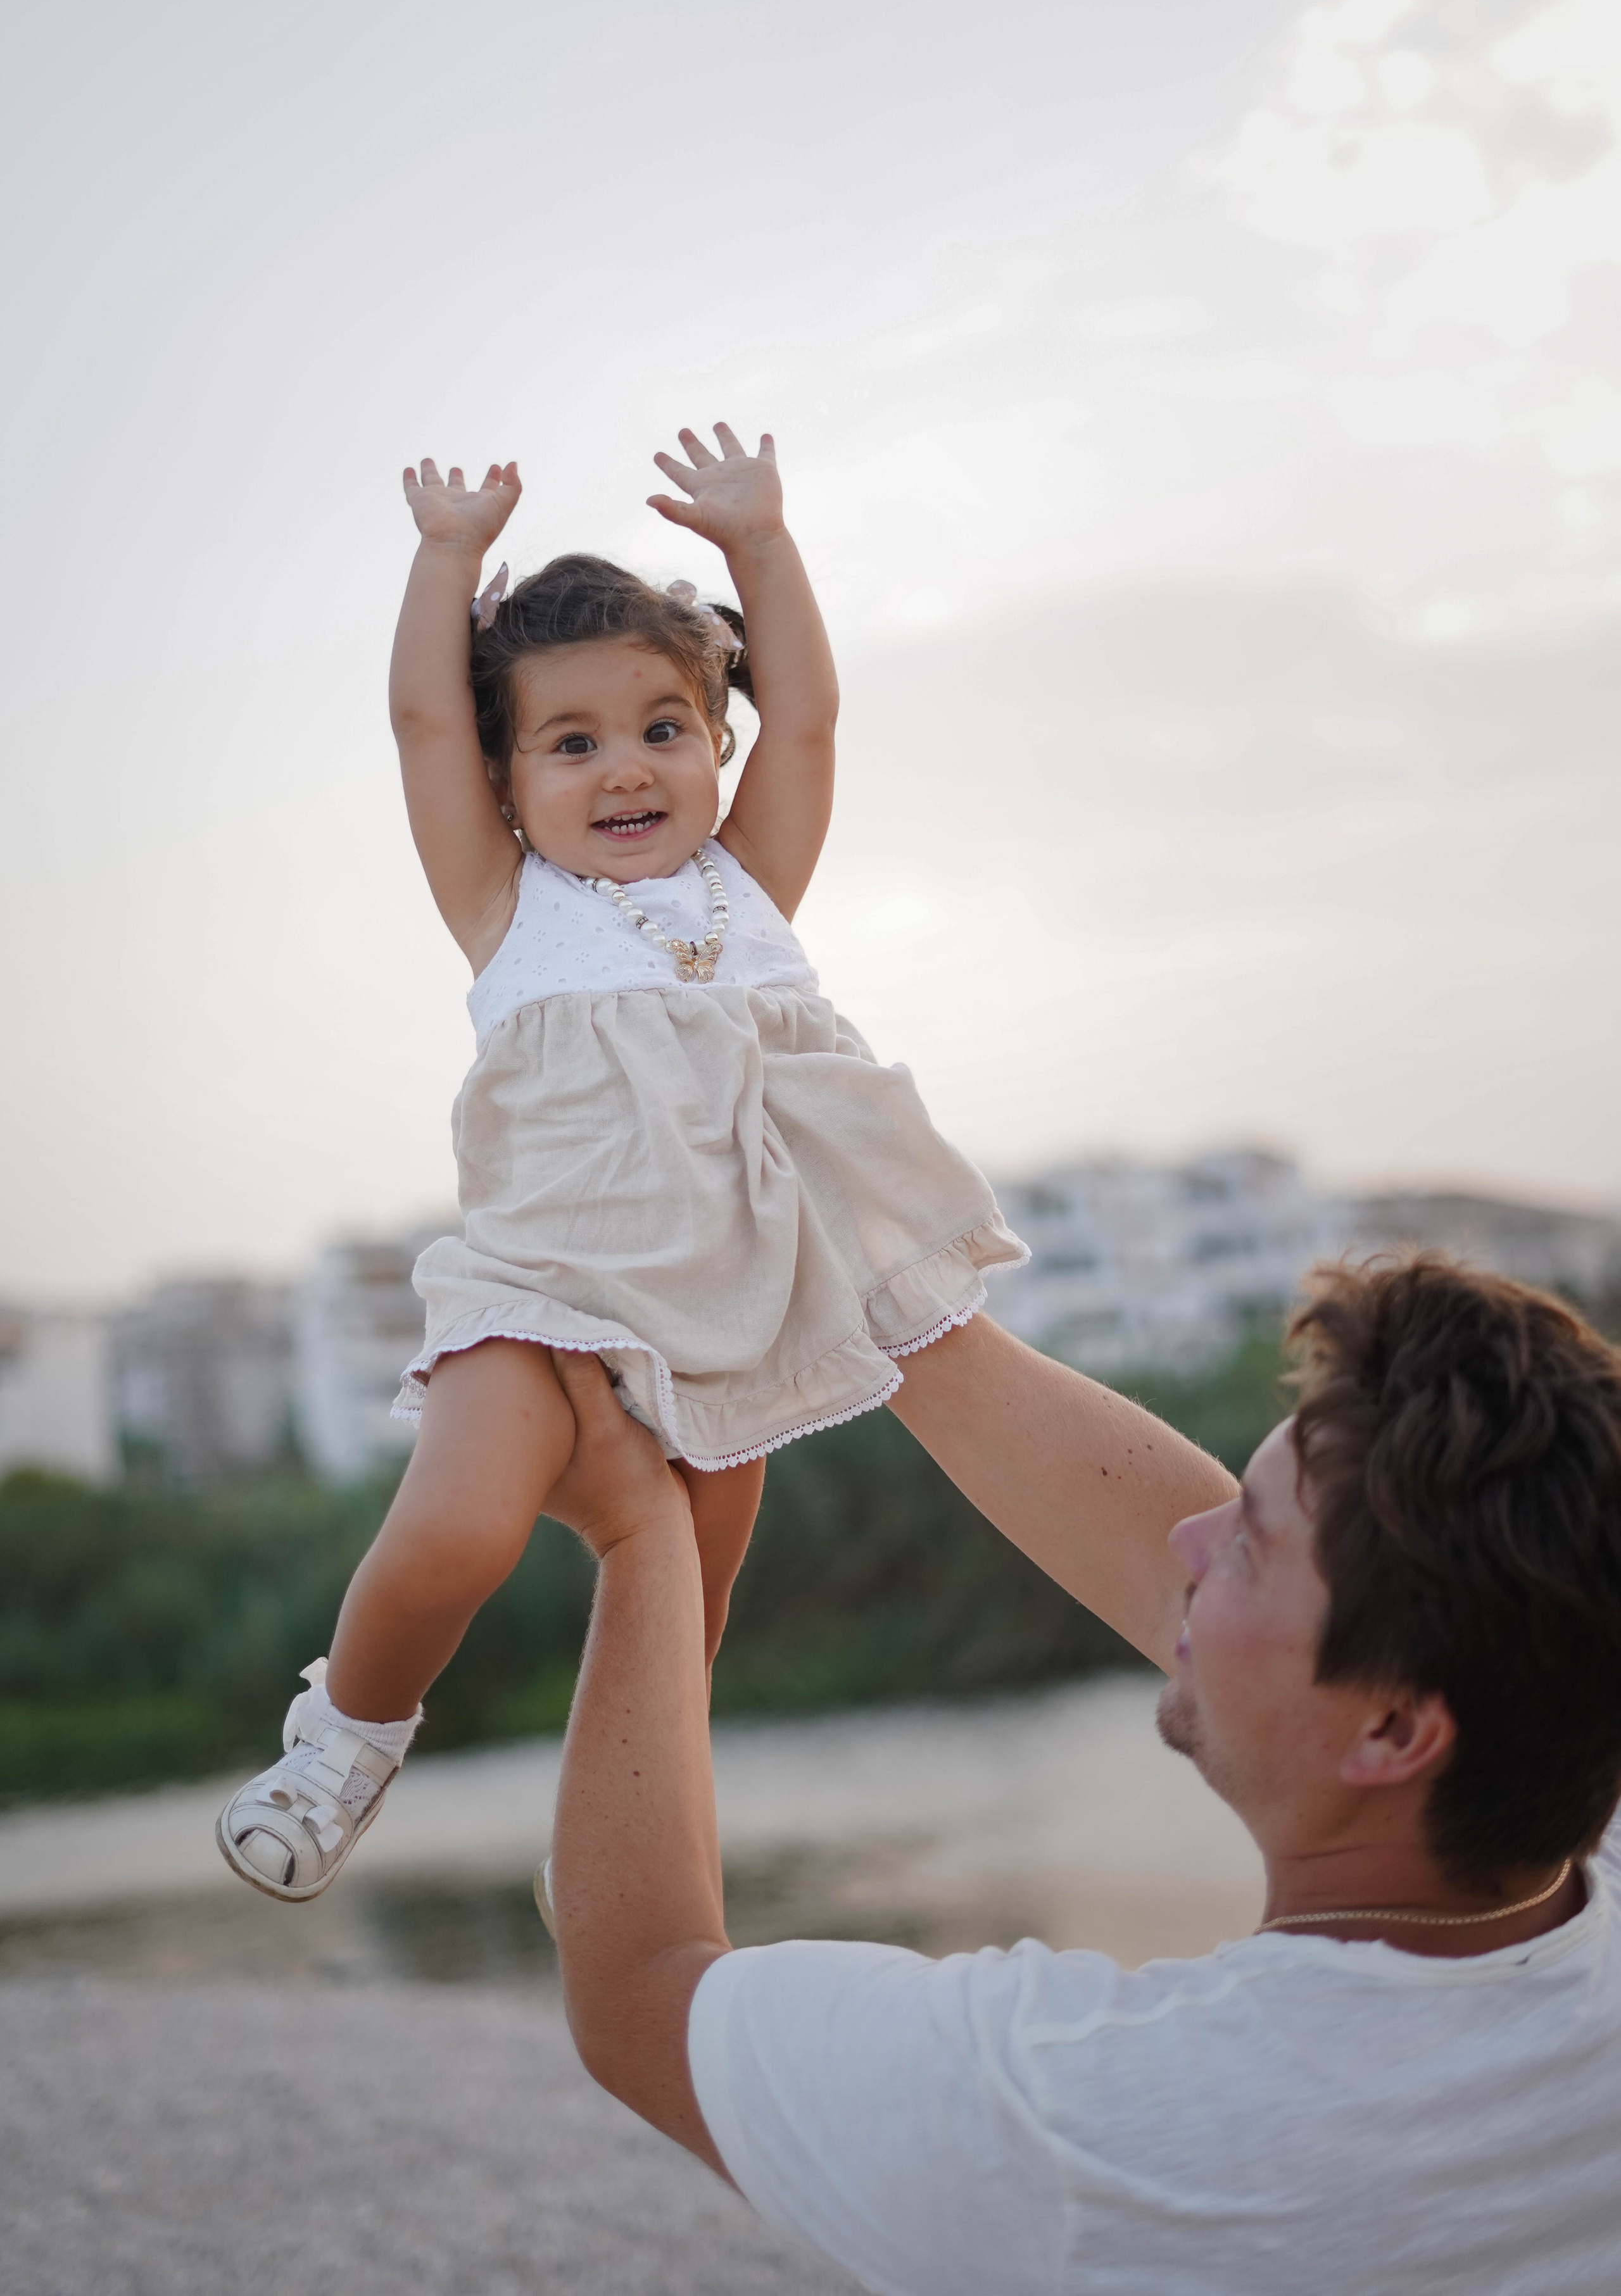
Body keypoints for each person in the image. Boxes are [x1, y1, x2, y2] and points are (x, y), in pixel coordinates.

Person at [217, 423, 1025, 1902]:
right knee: (456, 1527)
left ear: (714, 746)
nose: (626, 768)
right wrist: (443, 559)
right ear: (509, 780)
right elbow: (416, 724)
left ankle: (613, 1827)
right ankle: (344, 1737)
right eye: (570, 742)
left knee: (679, 1625)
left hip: (727, 1319)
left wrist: (761, 551)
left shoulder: (749, 891)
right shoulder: (511, 912)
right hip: (535, 1300)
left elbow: (817, 723)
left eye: (664, 727)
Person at [540, 1256, 1621, 2295]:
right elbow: (1203, 1590)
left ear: (1391, 1731)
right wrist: (878, 1290)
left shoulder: (1105, 2126)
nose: (1191, 1540)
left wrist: (643, 1540)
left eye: (1250, 1546)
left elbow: (640, 1987)